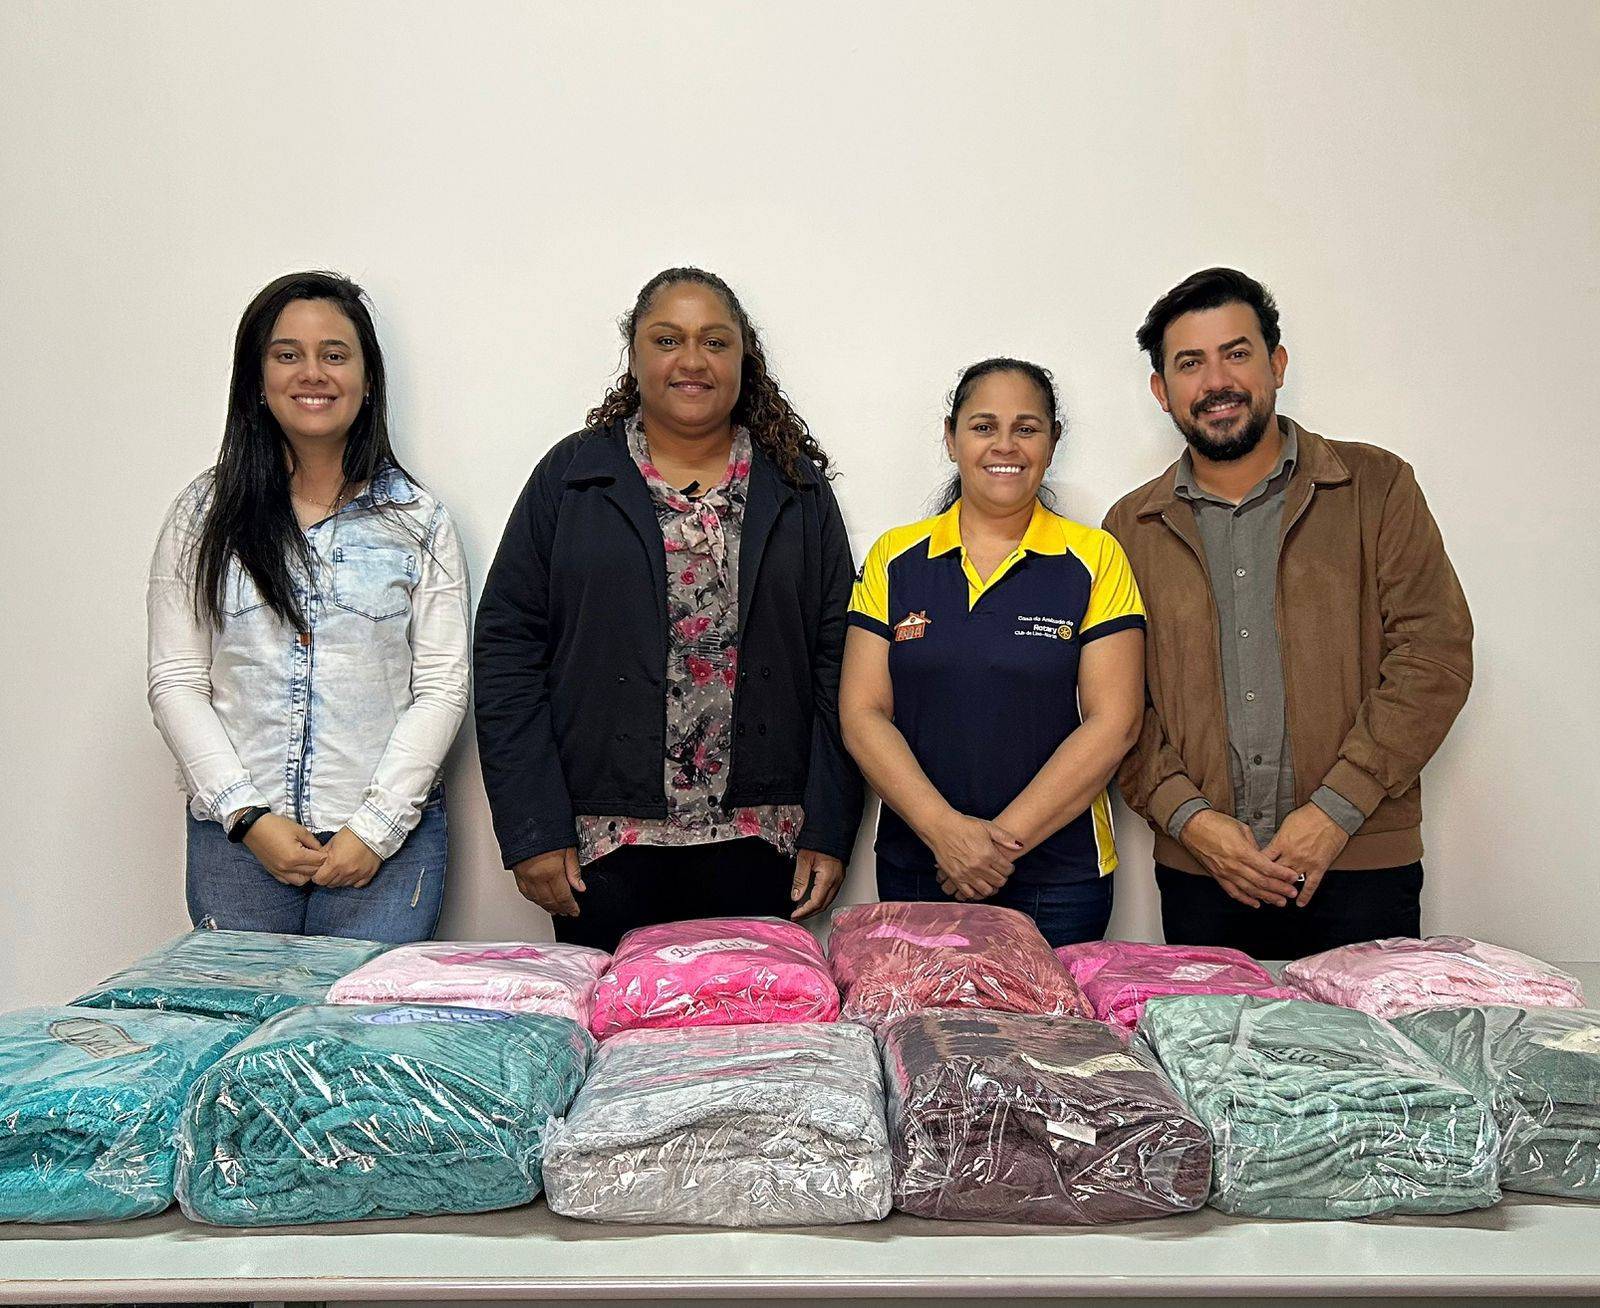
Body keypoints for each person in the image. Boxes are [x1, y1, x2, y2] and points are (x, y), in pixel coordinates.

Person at [474, 267, 862, 951]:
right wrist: (532, 828)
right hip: (604, 844)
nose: (691, 360)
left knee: (747, 1045)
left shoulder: (796, 487)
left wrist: (830, 827)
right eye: (667, 339)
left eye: (715, 342)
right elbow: (508, 653)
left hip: (763, 837)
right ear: (635, 355)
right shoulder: (571, 479)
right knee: (616, 1046)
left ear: (745, 358)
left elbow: (842, 666)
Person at [1104, 267, 1473, 958]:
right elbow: (1120, 705)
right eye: (1190, 363)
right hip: (1202, 875)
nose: (1216, 380)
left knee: (1370, 1066)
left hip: (1361, 861)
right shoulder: (1130, 527)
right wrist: (1193, 821)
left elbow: (1434, 657)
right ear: (1162, 390)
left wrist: (1334, 812)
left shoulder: (1375, 486)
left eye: (1236, 353)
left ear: (1276, 364)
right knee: (1213, 1067)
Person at [147, 271, 470, 941]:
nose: (312, 373)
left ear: (368, 378)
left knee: (353, 1042)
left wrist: (374, 830)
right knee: (242, 1037)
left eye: (335, 354)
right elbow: (176, 681)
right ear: (256, 380)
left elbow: (442, 687)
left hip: (385, 844)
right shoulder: (201, 516)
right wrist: (246, 817)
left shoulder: (420, 520)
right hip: (237, 844)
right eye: (287, 354)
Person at [839, 358, 1146, 947]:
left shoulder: (1095, 557)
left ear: (1052, 443)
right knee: (925, 1041)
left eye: (1026, 428)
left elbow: (1116, 722)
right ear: (952, 439)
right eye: (984, 426)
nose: (1005, 445)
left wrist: (997, 845)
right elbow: (861, 712)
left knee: (1049, 1042)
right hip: (919, 870)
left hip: (1059, 881)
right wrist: (945, 835)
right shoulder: (895, 559)